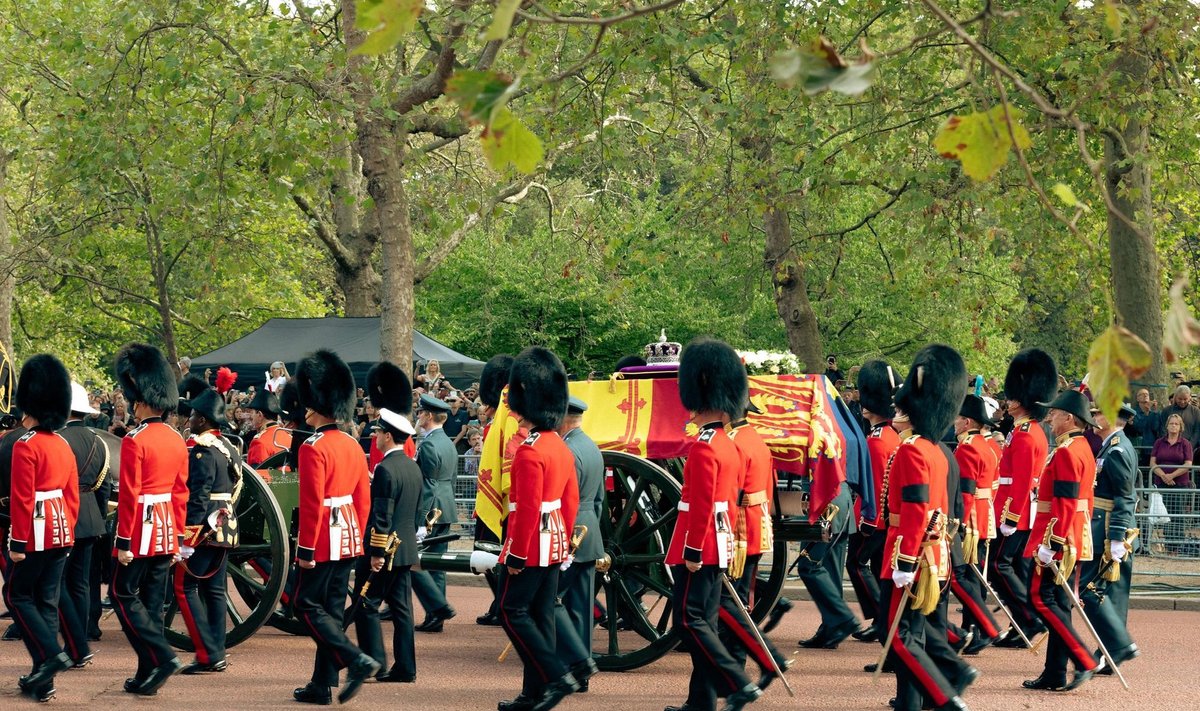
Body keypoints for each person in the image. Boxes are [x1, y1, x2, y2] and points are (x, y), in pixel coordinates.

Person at [664, 338, 761, 711]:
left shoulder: (704, 446)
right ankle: (700, 701)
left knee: (689, 622)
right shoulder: (728, 444)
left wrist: (690, 549)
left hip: (699, 545)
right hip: (720, 542)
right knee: (701, 620)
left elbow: (702, 504)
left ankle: (737, 682)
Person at [883, 345, 971, 711]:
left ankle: (946, 696)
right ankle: (910, 702)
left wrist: (903, 561)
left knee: (901, 637)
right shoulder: (933, 449)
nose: (897, 413)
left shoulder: (913, 450)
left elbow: (917, 509)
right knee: (916, 633)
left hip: (912, 553)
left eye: (901, 409)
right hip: (930, 553)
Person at [496, 347, 583, 711]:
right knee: (541, 616)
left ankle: (554, 675)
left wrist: (515, 554)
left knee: (511, 611)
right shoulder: (559, 446)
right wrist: (561, 544)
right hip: (555, 541)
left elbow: (527, 509)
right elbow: (570, 502)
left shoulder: (530, 451)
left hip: (530, 545)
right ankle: (534, 693)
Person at [291, 350, 378, 705]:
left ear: (315, 406)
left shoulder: (313, 448)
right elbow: (363, 500)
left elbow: (312, 505)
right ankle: (321, 684)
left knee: (305, 604)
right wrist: (355, 539)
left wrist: (306, 550)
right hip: (347, 539)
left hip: (323, 540)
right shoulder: (354, 445)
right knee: (329, 610)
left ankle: (353, 658)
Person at [111, 343, 189, 695]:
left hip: (139, 529)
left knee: (122, 592)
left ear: (139, 400)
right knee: (153, 604)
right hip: (165, 529)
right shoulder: (177, 440)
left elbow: (129, 495)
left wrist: (124, 542)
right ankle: (148, 675)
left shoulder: (134, 439)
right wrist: (177, 540)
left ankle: (160, 654)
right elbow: (180, 494)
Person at [7, 355, 80, 703]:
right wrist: (67, 531)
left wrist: (18, 542)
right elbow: (72, 496)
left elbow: (22, 499)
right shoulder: (62, 444)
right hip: (62, 530)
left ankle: (50, 656)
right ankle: (44, 679)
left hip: (34, 531)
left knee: (17, 596)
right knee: (47, 602)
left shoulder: (26, 445)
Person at [1021, 389, 1100, 692]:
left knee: (1040, 599)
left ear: (1069, 418)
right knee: (1059, 605)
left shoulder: (1068, 451)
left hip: (1059, 537)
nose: (1050, 418)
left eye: (1054, 413)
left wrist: (1050, 544)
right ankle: (1054, 672)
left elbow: (1065, 502)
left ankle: (1082, 659)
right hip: (1072, 535)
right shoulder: (1080, 448)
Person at [991, 349, 1057, 648]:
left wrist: (1010, 517)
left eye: (1012, 396)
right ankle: (1023, 624)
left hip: (1015, 510)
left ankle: (1030, 620)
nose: (1008, 401)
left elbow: (1019, 482)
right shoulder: (1024, 430)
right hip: (1014, 507)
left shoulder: (1028, 434)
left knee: (999, 565)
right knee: (1016, 566)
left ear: (1021, 399)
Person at [723, 400, 790, 690]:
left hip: (739, 529)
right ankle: (736, 668)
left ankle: (763, 660)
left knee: (731, 604)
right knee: (740, 602)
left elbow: (729, 491)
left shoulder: (734, 442)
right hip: (756, 523)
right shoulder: (756, 438)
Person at [353, 398, 422, 684]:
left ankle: (376, 663)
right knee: (402, 610)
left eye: (379, 432)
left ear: (389, 436)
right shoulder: (412, 467)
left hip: (387, 551)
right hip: (406, 548)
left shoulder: (384, 469)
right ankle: (405, 667)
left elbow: (382, 513)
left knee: (366, 605)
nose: (376, 436)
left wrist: (378, 551)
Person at [174, 387, 239, 674]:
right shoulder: (229, 447)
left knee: (184, 587)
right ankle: (218, 651)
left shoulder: (202, 450)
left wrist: (188, 538)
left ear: (202, 419)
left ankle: (206, 653)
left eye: (192, 416)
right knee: (214, 591)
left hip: (205, 528)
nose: (189, 420)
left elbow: (197, 496)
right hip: (226, 526)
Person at [1080, 403, 1140, 675]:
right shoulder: (1112, 445)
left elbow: (1124, 497)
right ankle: (1110, 651)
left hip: (1109, 530)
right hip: (1109, 528)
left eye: (1099, 413)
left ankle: (1117, 646)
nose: (1094, 417)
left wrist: (1116, 536)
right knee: (1111, 595)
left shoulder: (1116, 449)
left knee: (1090, 589)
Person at [57, 382, 113, 670]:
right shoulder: (98, 441)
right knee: (81, 582)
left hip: (64, 513)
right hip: (91, 515)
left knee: (60, 582)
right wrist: (100, 519)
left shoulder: (57, 439)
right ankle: (84, 635)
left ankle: (73, 644)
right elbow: (103, 487)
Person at [554, 396, 604, 692]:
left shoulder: (568, 450)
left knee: (553, 602)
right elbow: (597, 500)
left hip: (570, 533)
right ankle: (581, 668)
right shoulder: (591, 446)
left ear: (563, 418)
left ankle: (568, 668)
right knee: (581, 607)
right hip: (589, 533)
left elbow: (565, 500)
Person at [847, 360, 899, 643]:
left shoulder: (878, 440)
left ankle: (882, 619)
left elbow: (878, 486)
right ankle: (884, 619)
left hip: (875, 517)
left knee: (855, 563)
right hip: (883, 517)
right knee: (878, 570)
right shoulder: (888, 435)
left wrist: (869, 520)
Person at [949, 395, 1002, 654]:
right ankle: (975, 628)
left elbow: (966, 492)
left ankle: (977, 628)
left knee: (968, 577)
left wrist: (958, 523)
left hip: (970, 520)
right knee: (974, 576)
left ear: (966, 421)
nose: (954, 423)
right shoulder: (986, 445)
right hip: (984, 516)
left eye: (957, 418)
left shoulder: (968, 446)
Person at [474, 354, 523, 627]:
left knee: (491, 552)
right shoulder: (500, 416)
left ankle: (502, 604)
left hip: (507, 502)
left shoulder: (505, 415)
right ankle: (498, 603)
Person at [411, 393, 460, 633]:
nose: (419, 416)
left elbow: (428, 484)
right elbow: (452, 479)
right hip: (446, 506)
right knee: (436, 563)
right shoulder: (447, 442)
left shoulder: (429, 444)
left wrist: (421, 520)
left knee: (421, 563)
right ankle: (436, 613)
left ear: (428, 416)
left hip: (431, 511)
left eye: (421, 413)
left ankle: (436, 610)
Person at [245, 389, 291, 469]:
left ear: (259, 415)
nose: (250, 416)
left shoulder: (259, 442)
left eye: (252, 412)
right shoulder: (289, 436)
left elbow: (257, 477)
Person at [1149, 412, 1193, 489]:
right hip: (1160, 482)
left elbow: (1188, 464)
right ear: (1167, 426)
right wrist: (1164, 476)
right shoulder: (1158, 442)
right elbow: (1152, 463)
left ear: (1180, 427)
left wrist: (1172, 475)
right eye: (1171, 423)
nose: (1173, 425)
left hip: (1180, 484)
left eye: (1176, 424)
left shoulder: (1186, 443)